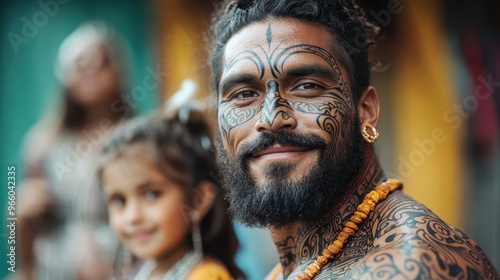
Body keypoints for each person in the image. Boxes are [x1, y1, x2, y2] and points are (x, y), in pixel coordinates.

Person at [208, 0, 500, 279]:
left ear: (366, 110)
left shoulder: (412, 267)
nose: (271, 118)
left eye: (307, 86)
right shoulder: (301, 263)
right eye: (244, 94)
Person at [17, 22, 131, 280]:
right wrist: (19, 217)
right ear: (65, 75)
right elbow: (20, 226)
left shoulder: (137, 138)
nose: (91, 70)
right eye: (81, 64)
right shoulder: (41, 144)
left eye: (100, 62)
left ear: (117, 70)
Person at [97, 104, 244, 279]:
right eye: (119, 201)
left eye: (152, 194)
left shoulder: (208, 276)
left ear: (198, 200)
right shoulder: (141, 273)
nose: (133, 216)